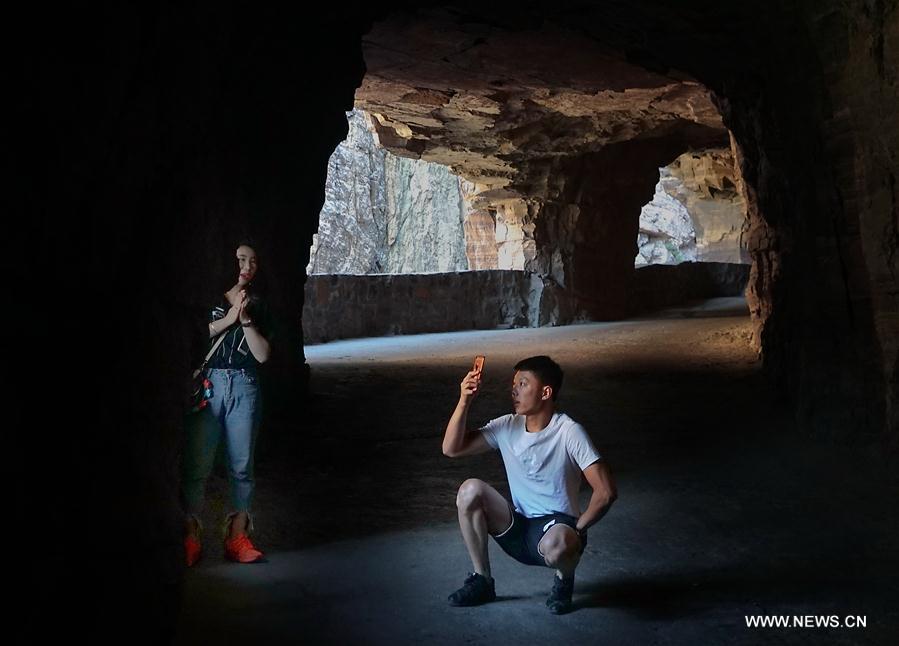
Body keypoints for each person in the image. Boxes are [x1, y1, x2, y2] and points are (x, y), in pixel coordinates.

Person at [442, 355, 617, 614]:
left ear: (546, 392)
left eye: (523, 384)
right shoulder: (506, 426)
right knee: (469, 490)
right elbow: (451, 449)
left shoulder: (569, 432)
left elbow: (605, 492)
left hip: (554, 532)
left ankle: (563, 578)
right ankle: (482, 580)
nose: (514, 390)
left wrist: (578, 530)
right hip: (517, 526)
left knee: (560, 545)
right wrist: (464, 401)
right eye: (514, 384)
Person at [181, 243, 273, 566]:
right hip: (209, 384)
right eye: (241, 260)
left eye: (253, 261)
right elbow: (195, 337)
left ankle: (237, 536)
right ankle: (190, 535)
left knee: (242, 466)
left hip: (244, 385)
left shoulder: (260, 305)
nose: (247, 266)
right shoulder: (210, 298)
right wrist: (228, 317)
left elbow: (262, 354)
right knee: (197, 464)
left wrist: (244, 318)